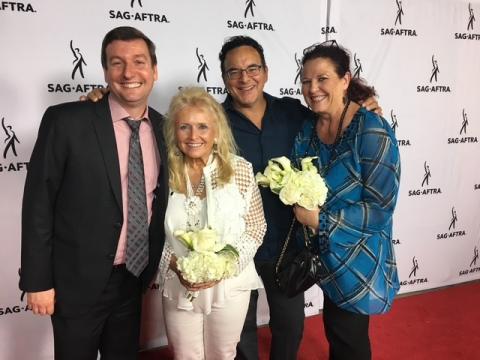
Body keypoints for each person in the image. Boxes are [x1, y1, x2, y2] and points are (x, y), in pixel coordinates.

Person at [218, 36, 381, 360]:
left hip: (288, 245)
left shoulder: (293, 112)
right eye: (233, 71)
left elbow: (334, 115)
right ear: (224, 78)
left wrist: (363, 108)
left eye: (252, 68)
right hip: (236, 245)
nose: (244, 78)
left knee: (290, 326)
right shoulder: (214, 121)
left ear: (265, 72)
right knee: (239, 329)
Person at [19, 26, 168, 360]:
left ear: (154, 71)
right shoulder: (67, 120)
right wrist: (37, 280)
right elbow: (38, 203)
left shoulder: (164, 127)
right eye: (117, 63)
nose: (129, 72)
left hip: (133, 279)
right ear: (105, 72)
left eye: (139, 61)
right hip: (76, 283)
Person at [291, 41, 401, 360]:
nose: (312, 88)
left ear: (345, 80)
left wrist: (319, 221)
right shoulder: (308, 129)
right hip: (325, 257)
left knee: (349, 340)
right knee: (337, 333)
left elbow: (380, 209)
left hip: (358, 259)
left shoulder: (372, 130)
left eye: (322, 79)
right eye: (306, 80)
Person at [158, 87, 266, 359]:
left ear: (216, 131)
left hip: (230, 285)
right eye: (184, 127)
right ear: (174, 131)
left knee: (223, 353)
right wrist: (176, 265)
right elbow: (147, 232)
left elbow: (256, 227)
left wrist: (224, 265)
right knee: (184, 355)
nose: (194, 136)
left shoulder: (240, 168)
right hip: (178, 283)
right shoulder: (161, 172)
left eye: (202, 126)